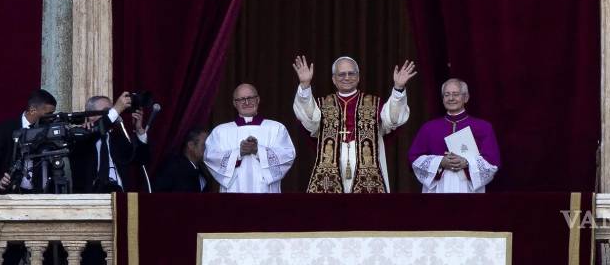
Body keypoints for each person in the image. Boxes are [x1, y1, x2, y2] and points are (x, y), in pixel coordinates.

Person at [292, 55, 416, 193]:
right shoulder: (322, 104)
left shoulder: (374, 104)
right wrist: (305, 85)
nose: (347, 77)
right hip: (331, 167)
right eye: (341, 74)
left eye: (351, 73)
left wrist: (398, 88)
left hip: (368, 166)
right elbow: (309, 121)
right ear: (333, 79)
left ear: (358, 77)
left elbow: (393, 120)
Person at [407, 78, 501, 193]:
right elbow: (413, 159)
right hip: (437, 190)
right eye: (447, 95)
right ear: (443, 99)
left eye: (455, 94)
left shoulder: (483, 127)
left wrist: (466, 162)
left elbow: (492, 162)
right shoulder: (429, 128)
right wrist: (440, 162)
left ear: (466, 97)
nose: (451, 98)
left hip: (469, 189)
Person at [203, 83, 296, 193]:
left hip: (265, 192)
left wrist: (258, 150)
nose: (247, 102)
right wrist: (239, 153)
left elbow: (288, 155)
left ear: (258, 100)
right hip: (234, 191)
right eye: (241, 99)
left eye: (250, 98)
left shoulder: (276, 128)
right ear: (234, 103)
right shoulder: (220, 131)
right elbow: (210, 157)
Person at [71, 92, 150, 193]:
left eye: (112, 110)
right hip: (91, 195)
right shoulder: (81, 135)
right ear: (91, 116)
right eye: (107, 111)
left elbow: (141, 160)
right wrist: (117, 109)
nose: (112, 114)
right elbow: (101, 125)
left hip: (120, 193)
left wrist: (139, 130)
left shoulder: (118, 138)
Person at [0, 89, 57, 194]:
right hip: (8, 195)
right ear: (33, 110)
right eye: (49, 114)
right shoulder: (6, 129)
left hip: (38, 196)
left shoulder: (50, 131)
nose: (51, 118)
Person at [154, 128, 211, 192]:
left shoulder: (203, 172)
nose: (208, 150)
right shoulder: (173, 166)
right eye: (204, 145)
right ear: (191, 145)